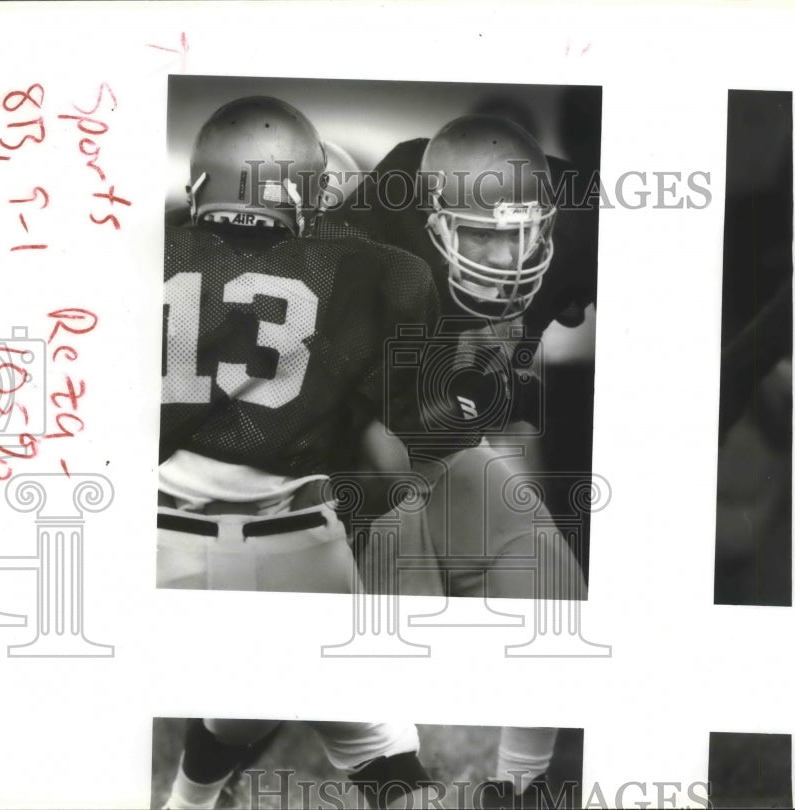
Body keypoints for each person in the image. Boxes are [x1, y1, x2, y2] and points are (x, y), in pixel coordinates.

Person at [157, 95, 442, 810]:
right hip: (293, 548)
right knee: (379, 741)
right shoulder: (377, 272)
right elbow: (399, 456)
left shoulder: (141, 254)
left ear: (202, 185)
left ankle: (189, 799)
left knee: (262, 700)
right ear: (306, 192)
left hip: (154, 547)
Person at [337, 115, 595, 809]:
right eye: (483, 234)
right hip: (356, 444)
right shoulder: (368, 234)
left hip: (453, 435)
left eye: (524, 235)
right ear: (431, 223)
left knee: (550, 580)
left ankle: (518, 788)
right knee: (368, 626)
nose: (509, 258)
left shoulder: (582, 220)